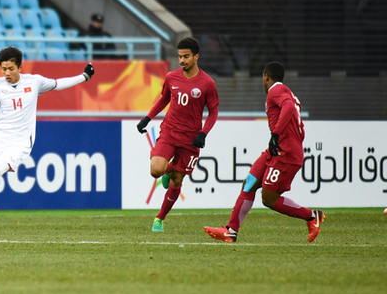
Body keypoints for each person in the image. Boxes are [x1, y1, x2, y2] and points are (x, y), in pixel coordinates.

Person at [0, 46, 95, 220]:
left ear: (20, 67)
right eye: (3, 69)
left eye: (11, 69)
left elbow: (58, 84)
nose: (7, 73)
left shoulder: (34, 82)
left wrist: (84, 77)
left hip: (19, 142)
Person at [204, 62, 324, 243]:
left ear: (266, 76)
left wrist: (276, 134)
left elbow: (289, 109)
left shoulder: (275, 91)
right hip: (276, 150)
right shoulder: (285, 92)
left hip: (286, 154)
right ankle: (231, 230)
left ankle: (311, 216)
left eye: (262, 77)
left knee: (269, 199)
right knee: (249, 182)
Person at [137, 37, 219, 232]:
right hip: (170, 132)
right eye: (180, 56)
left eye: (186, 56)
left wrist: (203, 133)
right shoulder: (171, 77)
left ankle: (159, 218)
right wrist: (147, 118)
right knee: (156, 170)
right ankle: (169, 170)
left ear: (196, 56)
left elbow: (213, 112)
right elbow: (163, 98)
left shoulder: (207, 83)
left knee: (177, 180)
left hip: (191, 139)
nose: (182, 60)